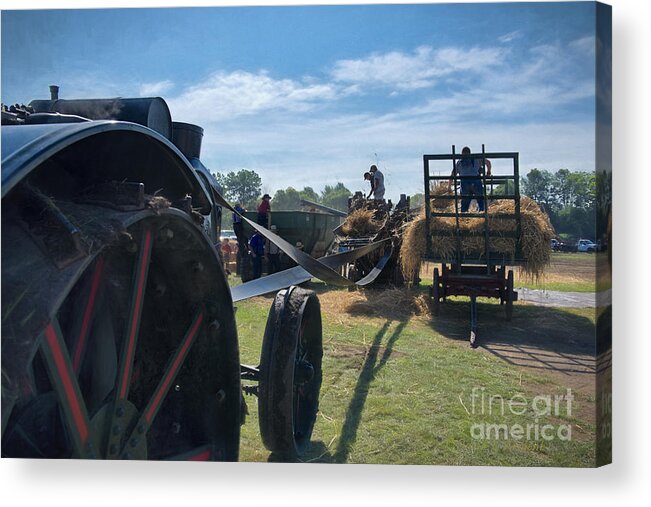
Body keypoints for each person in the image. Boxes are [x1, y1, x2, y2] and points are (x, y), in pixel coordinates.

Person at [449, 146, 491, 212]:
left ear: (462, 154)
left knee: (465, 202)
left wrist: (449, 187)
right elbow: (488, 162)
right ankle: (481, 214)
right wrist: (488, 172)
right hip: (475, 181)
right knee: (480, 200)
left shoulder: (459, 162)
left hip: (464, 182)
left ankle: (463, 216)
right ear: (470, 153)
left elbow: (452, 174)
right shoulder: (476, 159)